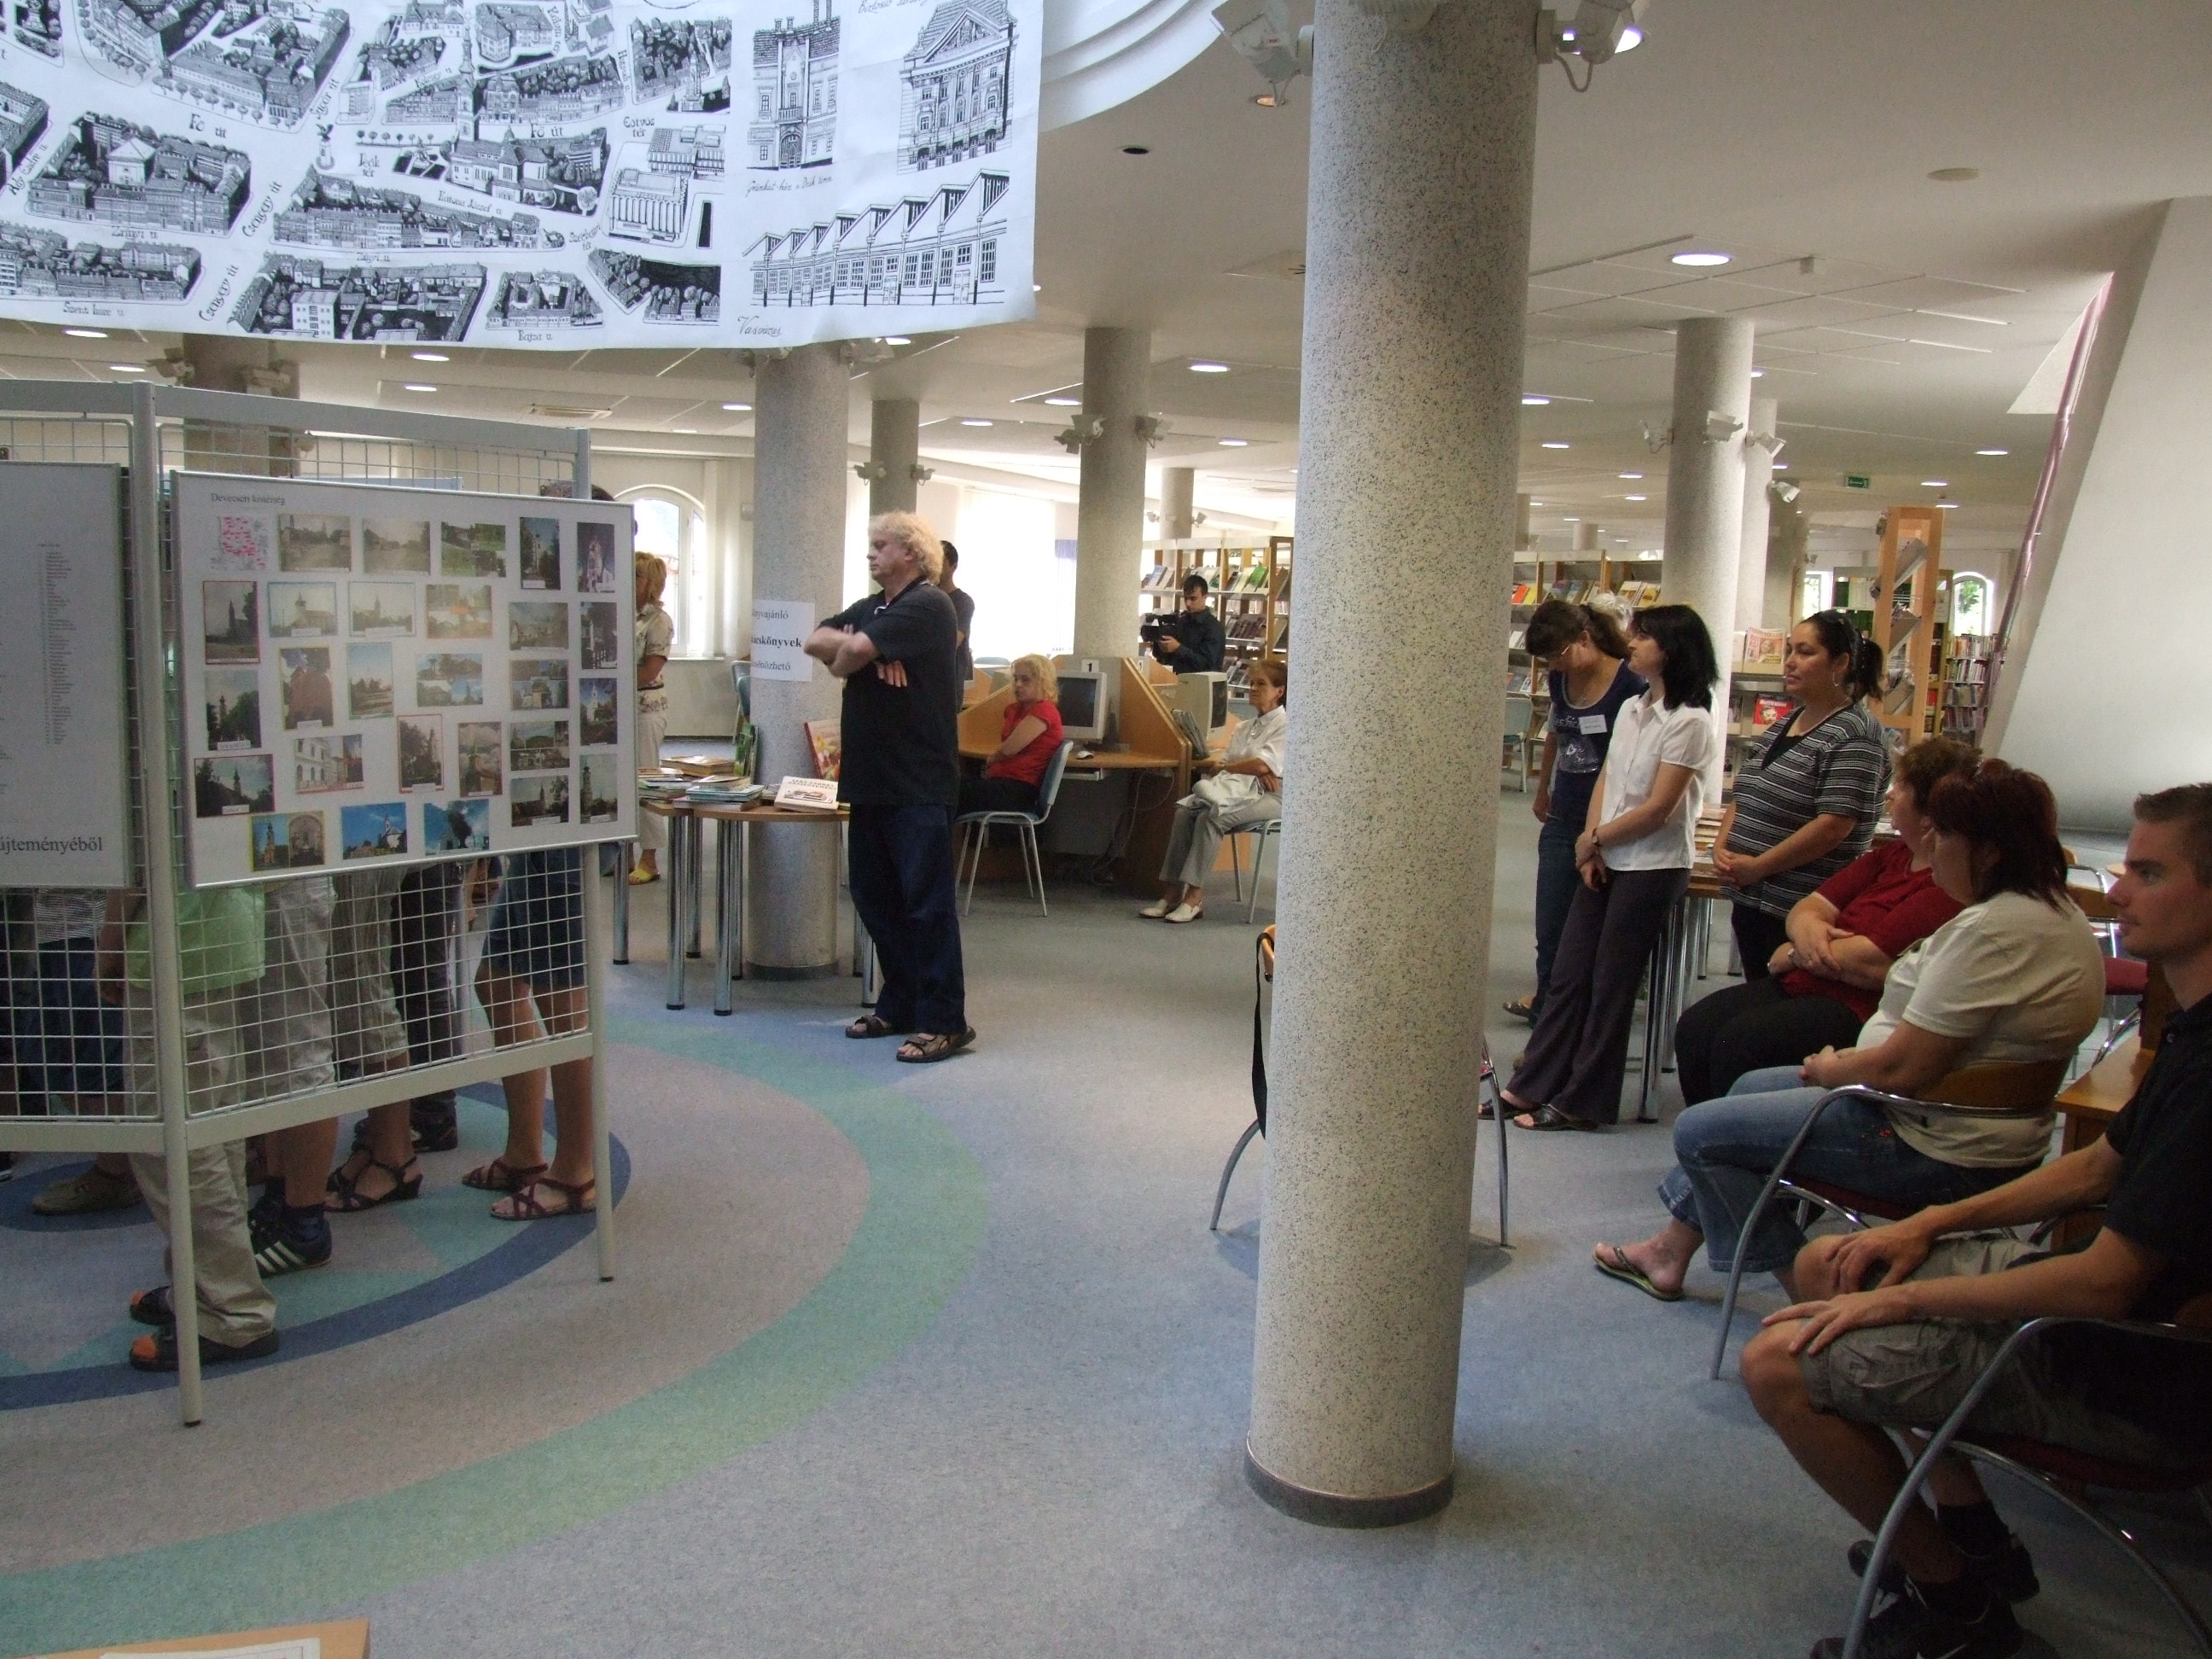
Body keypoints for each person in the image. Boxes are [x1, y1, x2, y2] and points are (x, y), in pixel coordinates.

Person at [1741, 781, 2212, 1659]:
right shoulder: (2191, 1028)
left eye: (2149, 873)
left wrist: (1903, 1301)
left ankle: (1957, 1608)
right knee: (1835, 1263)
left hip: (2132, 1370)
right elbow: (2099, 1165)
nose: (2118, 891)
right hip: (2098, 1319)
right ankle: (1975, 1536)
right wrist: (1928, 1226)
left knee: (1777, 1364)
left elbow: (2105, 1284)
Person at [1595, 760, 2104, 1304]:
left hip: (1929, 1140)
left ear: (1990, 851)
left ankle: (1806, 1288)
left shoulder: (1992, 933)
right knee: (1746, 1092)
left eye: (1945, 833)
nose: (1932, 845)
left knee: (1701, 1133)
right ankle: (1671, 1251)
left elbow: (1901, 1067)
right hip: (1952, 1117)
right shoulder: (2043, 910)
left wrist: (1832, 1069)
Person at [1673, 736, 1980, 1107]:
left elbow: (1871, 959)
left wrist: (1795, 954)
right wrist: (1811, 941)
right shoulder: (1894, 855)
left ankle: (1733, 1134)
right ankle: (1709, 1132)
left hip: (1856, 1005)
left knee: (1740, 1044)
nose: (1889, 795)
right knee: (1695, 1026)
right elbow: (1809, 908)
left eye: (1901, 787)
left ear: (1928, 811)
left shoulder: (1947, 882)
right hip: (1809, 981)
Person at [1503, 606, 1719, 1130]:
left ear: (1670, 650)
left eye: (1643, 637)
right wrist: (1593, 844)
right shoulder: (1634, 708)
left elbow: (1659, 808)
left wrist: (1594, 838)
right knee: (1569, 972)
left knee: (1611, 984)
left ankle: (1583, 1102)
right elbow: (1607, 779)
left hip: (1652, 864)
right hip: (1607, 854)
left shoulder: (1691, 721)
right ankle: (1533, 1085)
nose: (1631, 642)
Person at [806, 511, 973, 1064]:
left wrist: (858, 654)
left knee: (926, 905)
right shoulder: (870, 608)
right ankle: (900, 1003)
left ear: (911, 553)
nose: (871, 554)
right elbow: (815, 642)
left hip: (918, 781)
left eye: (881, 545)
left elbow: (846, 657)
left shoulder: (930, 605)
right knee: (875, 898)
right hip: (870, 780)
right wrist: (863, 652)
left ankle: (945, 1020)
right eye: (871, 545)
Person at [108, 884, 277, 1371]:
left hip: (175, 940)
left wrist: (110, 944)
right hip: (221, 933)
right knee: (213, 1134)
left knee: (177, 1147)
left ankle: (233, 1312)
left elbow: (136, 867)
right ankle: (204, 1290)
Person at [1715, 611, 1894, 979]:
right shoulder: (1787, 721)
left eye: (1805, 652)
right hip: (1752, 895)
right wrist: (1722, 845)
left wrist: (1759, 867)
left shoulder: (1855, 734)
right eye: (1789, 651)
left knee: (1783, 998)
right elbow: (1747, 788)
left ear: (1840, 664)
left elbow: (1833, 826)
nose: (1790, 662)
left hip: (1797, 905)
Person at [1511, 598, 1645, 1022]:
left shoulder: (1630, 686)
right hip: (1563, 813)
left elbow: (1628, 763)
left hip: (1609, 821)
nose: (1554, 666)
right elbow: (1556, 731)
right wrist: (1542, 788)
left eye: (1559, 655)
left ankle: (1581, 1022)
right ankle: (1547, 1018)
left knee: (1593, 931)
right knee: (1550, 923)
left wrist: (1600, 832)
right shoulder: (1559, 679)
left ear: (1585, 638)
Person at [466, 850, 597, 1219]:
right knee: (497, 982)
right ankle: (523, 1154)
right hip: (532, 843)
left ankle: (575, 1173)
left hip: (562, 841)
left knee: (561, 1001)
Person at [1140, 656, 1288, 924]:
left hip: (1273, 796)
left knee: (1213, 817)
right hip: (1239, 789)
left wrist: (1249, 767)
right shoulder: (1244, 727)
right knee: (1185, 812)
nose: (1253, 689)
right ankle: (1172, 892)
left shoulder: (1286, 726)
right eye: (1252, 683)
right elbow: (1238, 765)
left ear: (1279, 691)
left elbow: (1255, 765)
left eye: (1261, 684)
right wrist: (1251, 768)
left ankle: (1194, 897)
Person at [958, 653, 1062, 818]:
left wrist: (992, 759)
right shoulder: (1019, 709)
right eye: (1016, 679)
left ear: (1043, 682)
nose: (1018, 684)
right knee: (949, 784)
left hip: (1017, 790)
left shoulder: (1044, 709)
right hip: (1005, 784)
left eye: (1025, 680)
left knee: (947, 791)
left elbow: (1009, 750)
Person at [631, 550, 673, 884]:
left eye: (637, 576)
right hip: (616, 709)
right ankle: (618, 853)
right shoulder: (618, 614)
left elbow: (649, 671)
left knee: (645, 780)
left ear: (652, 584)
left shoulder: (658, 621)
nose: (629, 581)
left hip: (644, 710)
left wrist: (607, 684)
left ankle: (649, 859)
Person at [1149, 574, 1225, 673]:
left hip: (1201, 682)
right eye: (1186, 598)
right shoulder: (1182, 622)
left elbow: (1210, 666)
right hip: (1177, 678)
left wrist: (1178, 648)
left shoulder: (1214, 627)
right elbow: (1166, 659)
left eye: (1193, 598)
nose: (1188, 603)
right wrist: (1161, 645)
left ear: (1205, 597)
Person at [938, 540, 975, 700]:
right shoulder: (921, 597)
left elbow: (953, 641)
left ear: (953, 567)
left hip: (949, 683)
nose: (935, 567)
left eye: (941, 562)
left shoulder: (963, 602)